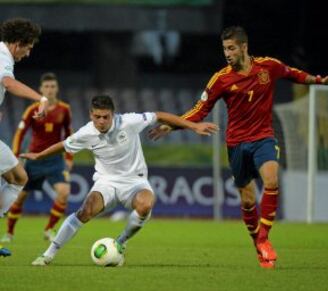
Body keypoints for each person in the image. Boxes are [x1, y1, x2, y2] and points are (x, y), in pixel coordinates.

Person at [149, 26, 328, 269]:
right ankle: (258, 246)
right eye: (224, 49)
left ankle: (264, 239)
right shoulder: (221, 79)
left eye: (231, 48)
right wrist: (172, 126)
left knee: (271, 179)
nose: (227, 54)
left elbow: (293, 74)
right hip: (237, 144)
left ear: (244, 47)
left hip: (264, 138)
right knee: (248, 200)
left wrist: (320, 81)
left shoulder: (268, 67)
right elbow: (200, 109)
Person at [21, 95, 218, 266]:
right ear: (91, 115)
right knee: (85, 211)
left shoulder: (128, 121)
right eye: (97, 117)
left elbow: (158, 115)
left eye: (105, 117)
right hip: (106, 182)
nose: (101, 121)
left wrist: (193, 125)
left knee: (146, 204)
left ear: (112, 115)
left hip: (135, 181)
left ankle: (120, 242)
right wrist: (39, 156)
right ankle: (48, 254)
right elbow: (64, 145)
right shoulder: (86, 133)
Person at [1, 72, 73, 243]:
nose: (49, 90)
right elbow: (20, 132)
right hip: (34, 159)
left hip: (55, 159)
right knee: (19, 198)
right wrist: (17, 155)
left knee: (64, 193)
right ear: (41, 89)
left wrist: (69, 157)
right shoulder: (33, 110)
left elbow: (69, 134)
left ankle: (49, 229)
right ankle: (9, 233)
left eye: (52, 86)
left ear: (57, 89)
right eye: (46, 87)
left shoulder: (64, 109)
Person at [0, 18, 49, 257]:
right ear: (18, 43)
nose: (28, 54)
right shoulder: (3, 56)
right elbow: (8, 83)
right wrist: (40, 98)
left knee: (16, 176)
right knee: (19, 177)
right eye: (28, 48)